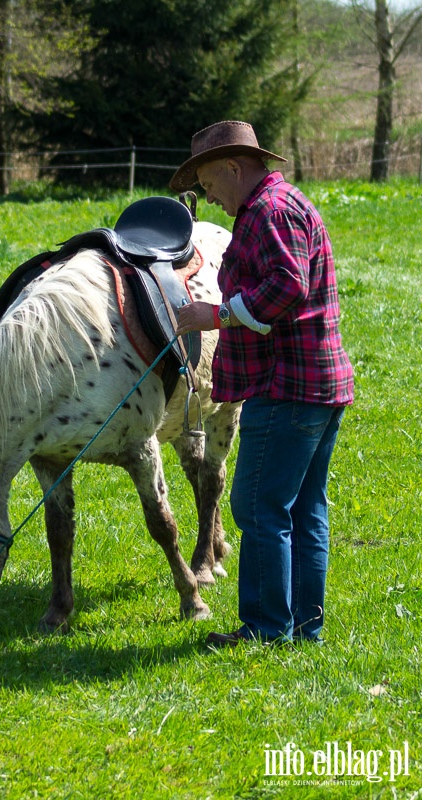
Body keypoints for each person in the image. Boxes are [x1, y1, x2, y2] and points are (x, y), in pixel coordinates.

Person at [171, 121, 354, 646]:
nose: (211, 199)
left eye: (209, 186)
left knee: (257, 504)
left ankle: (267, 628)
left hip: (288, 385)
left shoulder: (268, 211)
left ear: (234, 167)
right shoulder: (281, 202)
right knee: (303, 507)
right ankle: (302, 624)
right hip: (317, 381)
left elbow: (287, 286)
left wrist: (217, 315)